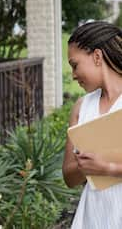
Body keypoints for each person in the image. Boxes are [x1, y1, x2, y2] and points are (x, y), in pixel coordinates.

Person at [62, 21, 122, 228]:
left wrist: (106, 167)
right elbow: (69, 178)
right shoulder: (81, 107)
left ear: (97, 57)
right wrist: (85, 165)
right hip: (92, 217)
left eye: (75, 64)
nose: (73, 75)